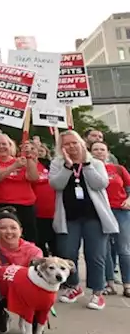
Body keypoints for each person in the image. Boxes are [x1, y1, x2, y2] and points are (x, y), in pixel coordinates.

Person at [51, 130, 118, 310]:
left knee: (95, 255)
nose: (71, 147)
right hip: (69, 217)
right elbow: (56, 184)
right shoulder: (57, 163)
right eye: (66, 144)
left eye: (74, 143)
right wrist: (67, 166)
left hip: (94, 217)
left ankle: (97, 292)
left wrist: (86, 165)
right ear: (61, 147)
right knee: (67, 254)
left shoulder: (95, 162)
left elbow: (100, 184)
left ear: (81, 143)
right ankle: (73, 286)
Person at [0, 134, 40, 243]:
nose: (1, 147)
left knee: (28, 241)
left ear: (10, 145)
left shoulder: (20, 160)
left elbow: (33, 178)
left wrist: (29, 158)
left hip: (24, 207)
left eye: (4, 144)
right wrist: (13, 167)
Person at [94, 141, 130, 297]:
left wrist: (129, 199)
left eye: (102, 149)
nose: (99, 152)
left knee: (124, 249)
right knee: (105, 250)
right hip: (100, 212)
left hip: (120, 211)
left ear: (107, 152)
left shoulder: (117, 169)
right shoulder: (90, 169)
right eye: (95, 149)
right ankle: (109, 283)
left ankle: (127, 284)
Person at [31, 142, 58, 257]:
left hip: (54, 212)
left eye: (41, 149)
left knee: (57, 246)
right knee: (40, 244)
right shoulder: (28, 166)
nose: (38, 152)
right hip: (37, 212)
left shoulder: (52, 165)